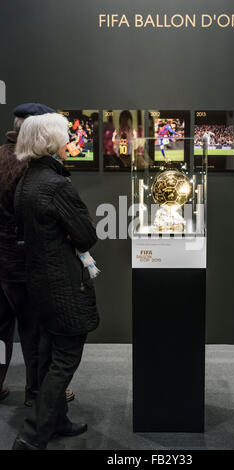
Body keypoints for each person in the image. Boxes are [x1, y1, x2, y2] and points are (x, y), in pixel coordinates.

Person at [12, 113, 99, 450]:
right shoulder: (57, 185)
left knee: (49, 355)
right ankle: (32, 436)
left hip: (40, 283)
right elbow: (86, 236)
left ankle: (57, 421)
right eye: (65, 137)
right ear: (51, 143)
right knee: (64, 361)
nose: (69, 143)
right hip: (63, 285)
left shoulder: (26, 182)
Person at [0, 102, 76, 407]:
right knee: (34, 332)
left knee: (1, 327)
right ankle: (38, 394)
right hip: (25, 261)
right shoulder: (31, 164)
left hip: (3, 260)